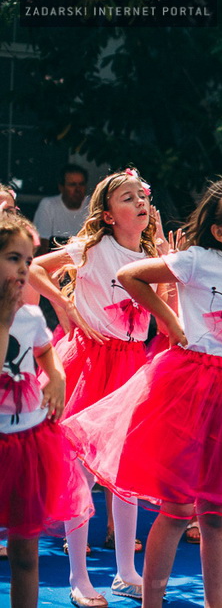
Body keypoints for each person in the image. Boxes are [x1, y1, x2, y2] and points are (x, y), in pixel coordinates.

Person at [63, 176, 222, 608]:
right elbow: (130, 275)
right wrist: (168, 320)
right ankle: (150, 602)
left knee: (216, 514)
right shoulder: (197, 260)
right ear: (220, 231)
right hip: (189, 385)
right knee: (176, 509)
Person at [29, 169, 161, 604]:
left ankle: (125, 570)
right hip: (89, 361)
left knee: (125, 472)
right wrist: (63, 303)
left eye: (142, 195)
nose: (141, 202)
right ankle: (78, 578)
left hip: (130, 363)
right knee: (81, 470)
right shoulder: (91, 248)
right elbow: (34, 268)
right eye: (128, 197)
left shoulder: (150, 254)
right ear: (107, 215)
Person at [0, 215, 93, 608]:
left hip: (27, 442)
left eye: (28, 259)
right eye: (12, 258)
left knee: (25, 553)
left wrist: (54, 376)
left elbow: (43, 349)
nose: (24, 268)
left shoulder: (31, 315)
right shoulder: (12, 315)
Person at [32, 164, 90, 252]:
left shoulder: (92, 205)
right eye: (72, 185)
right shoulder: (48, 205)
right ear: (61, 187)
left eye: (81, 184)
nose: (78, 190)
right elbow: (42, 244)